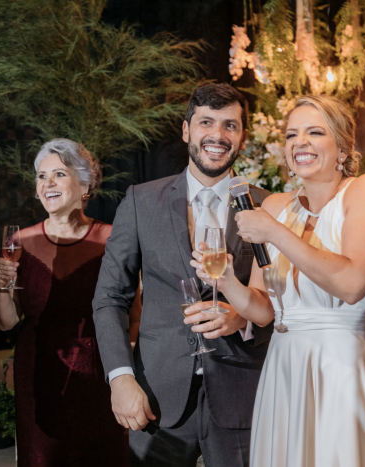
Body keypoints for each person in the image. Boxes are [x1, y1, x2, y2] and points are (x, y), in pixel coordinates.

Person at [191, 95, 365, 466]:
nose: (299, 142)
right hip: (284, 369)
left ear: (341, 146)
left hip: (341, 365)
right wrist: (227, 281)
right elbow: (262, 311)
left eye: (314, 132)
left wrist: (275, 233)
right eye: (292, 135)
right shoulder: (275, 206)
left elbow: (352, 284)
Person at [93, 83, 273, 467]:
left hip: (243, 394)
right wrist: (121, 378)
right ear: (186, 129)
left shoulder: (267, 207)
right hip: (157, 394)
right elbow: (110, 297)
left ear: (242, 137)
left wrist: (243, 318)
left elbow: (285, 300)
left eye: (230, 126)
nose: (218, 135)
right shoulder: (141, 201)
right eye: (206, 122)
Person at [0, 139, 128, 466]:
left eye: (59, 174)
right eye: (41, 176)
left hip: (100, 373)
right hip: (39, 373)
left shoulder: (112, 238)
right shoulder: (19, 241)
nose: (47, 183)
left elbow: (132, 315)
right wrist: (3, 286)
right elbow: (7, 321)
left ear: (85, 185)